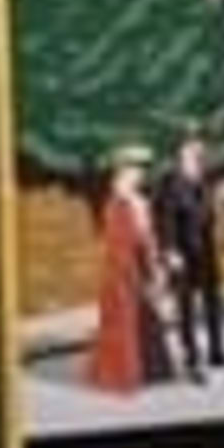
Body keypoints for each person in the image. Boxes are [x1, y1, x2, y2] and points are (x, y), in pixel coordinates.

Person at [84, 148, 175, 394]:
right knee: (125, 320)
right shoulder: (115, 203)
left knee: (148, 317)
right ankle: (121, 373)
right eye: (134, 171)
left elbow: (148, 236)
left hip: (142, 260)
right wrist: (132, 273)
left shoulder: (139, 201)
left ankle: (153, 371)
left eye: (140, 171)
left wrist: (156, 266)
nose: (139, 175)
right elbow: (118, 243)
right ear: (121, 172)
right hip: (123, 269)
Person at [156, 126, 224, 375]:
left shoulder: (204, 175)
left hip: (207, 247)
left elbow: (211, 206)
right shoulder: (171, 180)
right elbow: (165, 218)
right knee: (186, 305)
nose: (199, 147)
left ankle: (217, 352)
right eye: (193, 143)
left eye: (199, 142)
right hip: (184, 250)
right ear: (182, 150)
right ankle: (191, 357)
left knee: (213, 300)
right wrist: (169, 250)